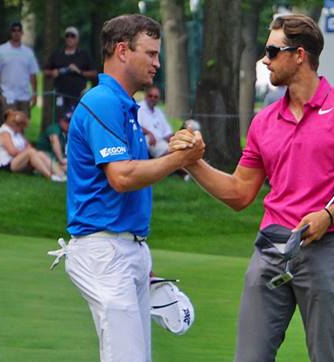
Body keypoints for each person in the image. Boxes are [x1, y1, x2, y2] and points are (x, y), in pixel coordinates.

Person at [170, 14, 334, 361]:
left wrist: (330, 215)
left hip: (327, 249)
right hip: (271, 249)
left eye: (273, 51)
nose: (265, 59)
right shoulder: (264, 121)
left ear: (299, 55)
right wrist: (192, 162)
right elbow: (239, 193)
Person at [61, 15, 204, 362]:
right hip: (105, 252)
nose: (157, 63)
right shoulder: (102, 102)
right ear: (123, 51)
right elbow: (122, 177)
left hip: (127, 249)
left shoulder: (125, 107)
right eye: (151, 54)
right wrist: (180, 159)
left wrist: (140, 257)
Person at [0, 110, 65, 181]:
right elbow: (12, 151)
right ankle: (50, 176)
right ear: (16, 125)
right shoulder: (4, 133)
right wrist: (25, 151)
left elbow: (28, 145)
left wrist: (26, 150)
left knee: (40, 154)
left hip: (17, 160)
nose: (23, 129)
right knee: (31, 152)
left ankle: (60, 175)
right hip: (6, 164)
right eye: (22, 127)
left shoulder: (17, 132)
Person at [0, 21, 39, 118]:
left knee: (22, 125)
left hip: (24, 96)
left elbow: (33, 74)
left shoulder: (28, 52)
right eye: (14, 30)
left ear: (22, 33)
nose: (16, 33)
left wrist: (34, 94)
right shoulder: (1, 50)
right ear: (10, 33)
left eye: (19, 30)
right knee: (10, 124)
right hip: (7, 95)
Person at [44, 26, 97, 111]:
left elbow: (94, 73)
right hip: (60, 94)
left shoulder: (84, 55)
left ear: (77, 39)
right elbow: (45, 72)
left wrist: (80, 72)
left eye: (72, 36)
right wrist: (53, 72)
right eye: (67, 36)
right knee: (61, 121)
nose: (69, 38)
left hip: (78, 96)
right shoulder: (57, 54)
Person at [137, 85, 173, 158]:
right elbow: (136, 126)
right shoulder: (138, 108)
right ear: (146, 96)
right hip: (148, 143)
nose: (153, 98)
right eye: (150, 96)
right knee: (172, 154)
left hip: (162, 143)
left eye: (156, 97)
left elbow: (167, 133)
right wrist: (149, 133)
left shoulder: (159, 111)